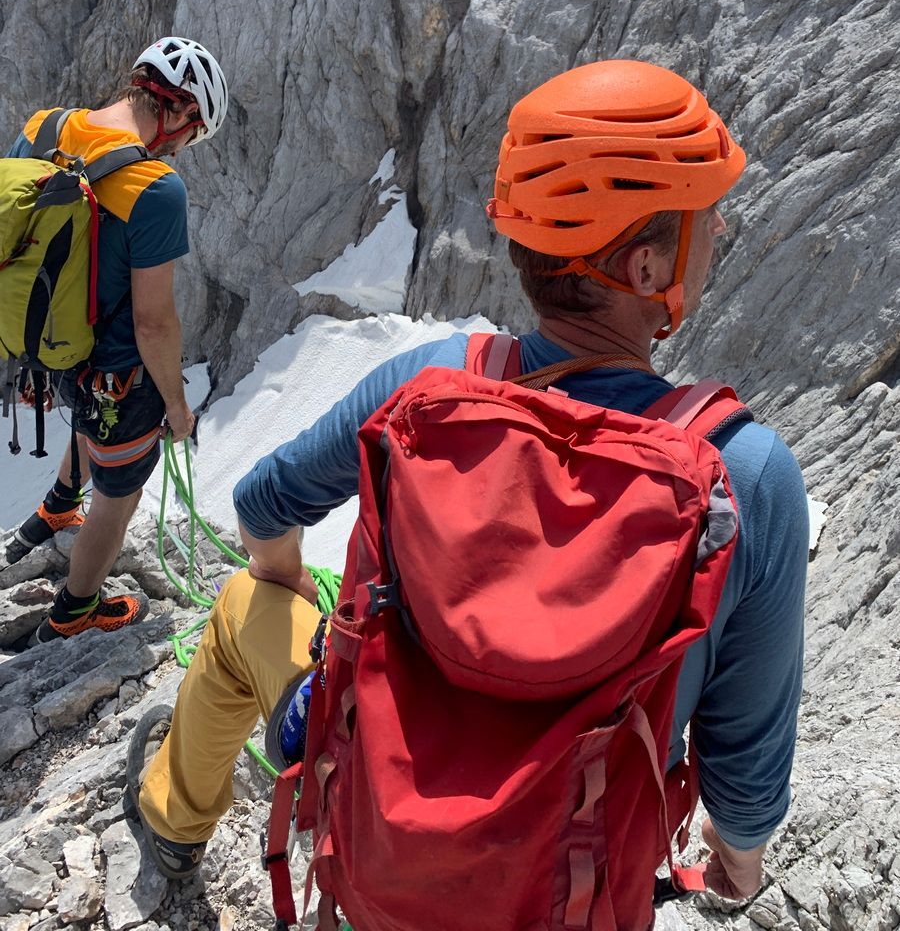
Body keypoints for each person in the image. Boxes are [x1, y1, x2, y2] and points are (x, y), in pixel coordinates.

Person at [132, 59, 808, 905]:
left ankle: (168, 826)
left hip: (380, 832)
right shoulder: (744, 477)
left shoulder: (430, 383)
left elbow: (263, 507)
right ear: (643, 269)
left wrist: (295, 583)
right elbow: (742, 776)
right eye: (703, 215)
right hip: (567, 883)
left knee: (242, 608)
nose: (717, 230)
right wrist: (734, 865)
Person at [5, 37, 229, 642]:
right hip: (117, 376)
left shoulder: (44, 127)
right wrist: (177, 408)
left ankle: (55, 503)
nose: (183, 147)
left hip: (49, 348)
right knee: (120, 491)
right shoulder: (156, 189)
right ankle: (73, 612)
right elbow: (154, 322)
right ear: (179, 112)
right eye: (191, 132)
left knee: (84, 420)